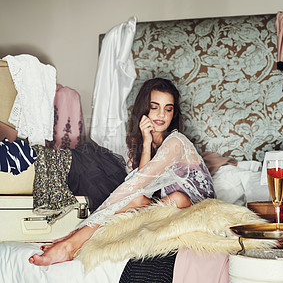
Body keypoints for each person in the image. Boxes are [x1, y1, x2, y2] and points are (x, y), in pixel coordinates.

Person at [28, 78, 216, 266]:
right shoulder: (150, 144)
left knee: (175, 198)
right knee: (137, 200)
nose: (161, 115)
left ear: (174, 113)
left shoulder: (176, 142)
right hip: (171, 211)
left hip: (196, 212)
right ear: (145, 109)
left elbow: (140, 183)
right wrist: (147, 141)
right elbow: (141, 189)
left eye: (168, 109)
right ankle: (76, 243)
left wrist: (84, 225)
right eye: (154, 107)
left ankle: (71, 244)